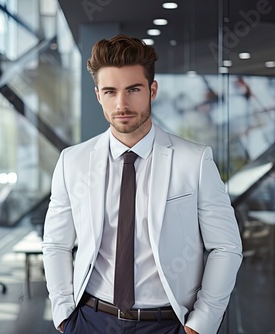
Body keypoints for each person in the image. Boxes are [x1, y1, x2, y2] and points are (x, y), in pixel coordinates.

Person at [42, 34, 242, 334]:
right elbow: (56, 243)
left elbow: (226, 246)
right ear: (98, 95)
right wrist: (63, 313)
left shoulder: (194, 160)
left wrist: (201, 323)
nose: (121, 104)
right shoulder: (73, 161)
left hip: (168, 324)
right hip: (90, 320)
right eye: (110, 91)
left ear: (152, 90)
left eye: (133, 89)